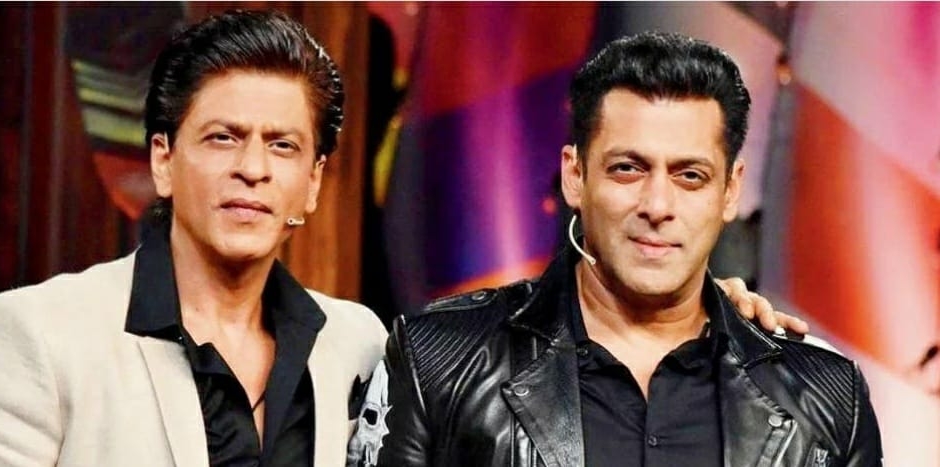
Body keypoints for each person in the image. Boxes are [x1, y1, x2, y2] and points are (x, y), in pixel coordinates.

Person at [349, 32, 881, 467]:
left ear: (730, 191)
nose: (657, 205)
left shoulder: (825, 395)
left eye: (690, 176)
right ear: (575, 176)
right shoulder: (438, 362)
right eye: (628, 168)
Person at [0, 11, 386, 467]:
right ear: (163, 161)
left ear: (312, 181)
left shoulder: (357, 343)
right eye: (223, 138)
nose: (252, 168)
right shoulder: (37, 334)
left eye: (282, 145)